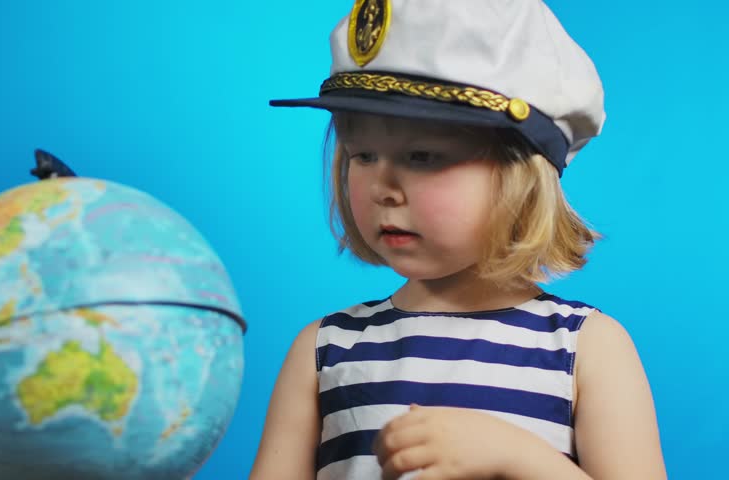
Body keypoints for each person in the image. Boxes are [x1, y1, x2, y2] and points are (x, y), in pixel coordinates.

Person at [251, 0, 667, 478]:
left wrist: (520, 458)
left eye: (422, 156)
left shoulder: (586, 348)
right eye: (363, 155)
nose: (383, 187)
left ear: (521, 176)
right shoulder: (324, 350)